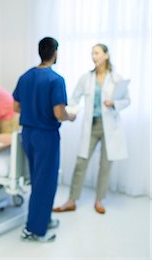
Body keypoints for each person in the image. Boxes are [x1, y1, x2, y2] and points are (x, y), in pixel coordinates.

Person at [54, 44, 130, 215]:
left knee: (105, 165)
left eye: (97, 53)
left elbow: (127, 100)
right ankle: (72, 200)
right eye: (92, 53)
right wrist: (68, 112)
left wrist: (114, 103)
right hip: (92, 126)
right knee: (81, 162)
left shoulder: (116, 78)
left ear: (106, 55)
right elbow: (73, 100)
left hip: (110, 127)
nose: (93, 56)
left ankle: (99, 200)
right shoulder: (86, 78)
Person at [13, 37, 76, 242]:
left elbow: (16, 107)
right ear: (55, 53)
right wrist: (71, 116)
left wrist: (33, 109)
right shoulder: (56, 80)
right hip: (46, 136)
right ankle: (35, 230)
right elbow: (59, 112)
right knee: (45, 182)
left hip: (28, 134)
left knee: (38, 180)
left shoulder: (25, 77)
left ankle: (44, 218)